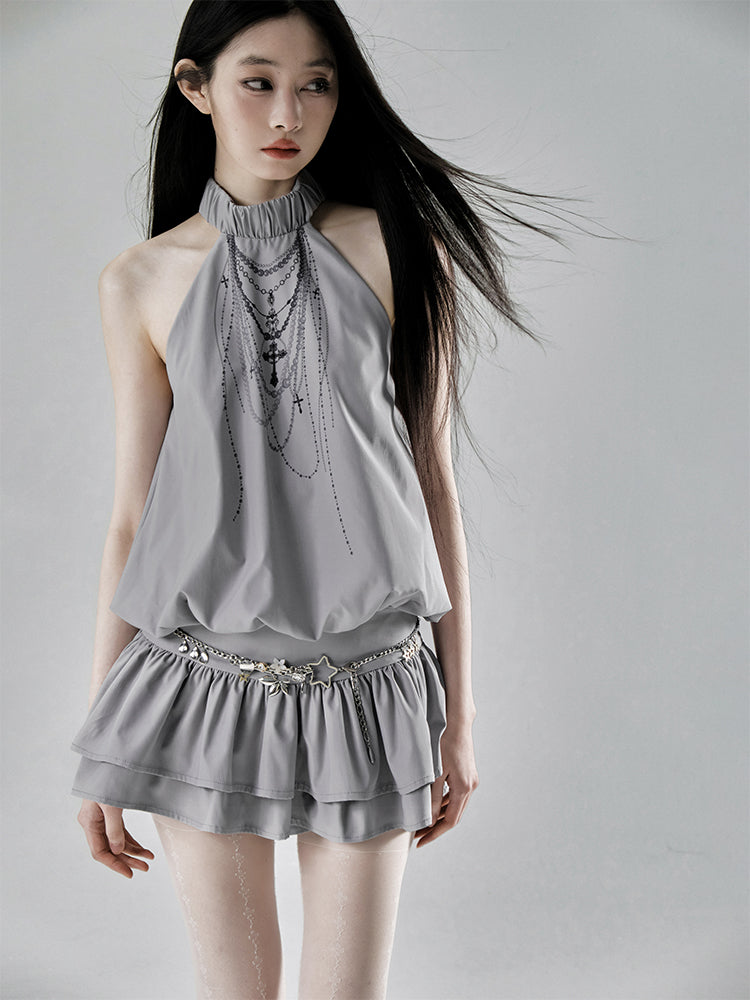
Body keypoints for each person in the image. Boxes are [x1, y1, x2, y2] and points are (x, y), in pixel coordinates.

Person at [69, 2, 574, 997]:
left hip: (373, 694)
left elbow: (431, 482)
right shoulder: (139, 281)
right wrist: (102, 739)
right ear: (195, 88)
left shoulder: (400, 249)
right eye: (258, 81)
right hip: (201, 693)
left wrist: (459, 717)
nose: (287, 113)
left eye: (317, 84)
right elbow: (133, 515)